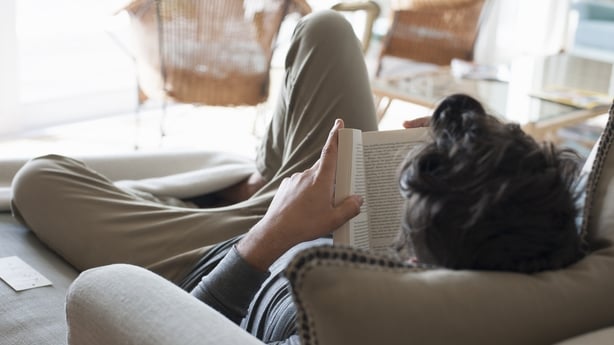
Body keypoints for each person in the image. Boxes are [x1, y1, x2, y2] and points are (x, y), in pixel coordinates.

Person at [10, 10, 584, 345]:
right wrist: (479, 143)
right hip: (327, 215)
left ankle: (254, 195)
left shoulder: (335, 317)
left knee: (40, 181)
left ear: (416, 263)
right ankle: (262, 181)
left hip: (246, 249)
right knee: (325, 28)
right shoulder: (532, 238)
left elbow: (181, 309)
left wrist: (274, 231)